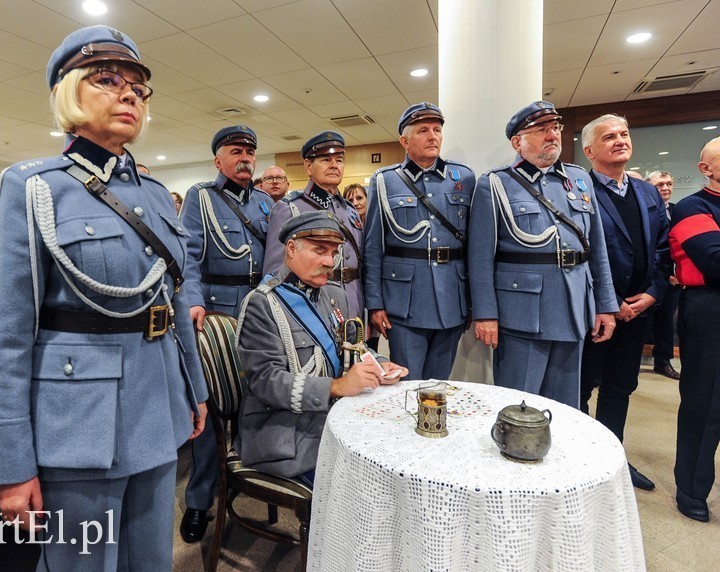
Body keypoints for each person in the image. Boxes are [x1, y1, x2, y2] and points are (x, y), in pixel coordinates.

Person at [0, 25, 208, 569]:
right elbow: (7, 336)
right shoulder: (33, 186)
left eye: (137, 86)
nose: (129, 93)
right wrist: (11, 463)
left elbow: (171, 304)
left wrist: (193, 388)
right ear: (68, 90)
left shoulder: (154, 195)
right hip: (77, 422)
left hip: (158, 407)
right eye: (107, 79)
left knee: (150, 560)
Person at [235, 211, 407, 485]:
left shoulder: (334, 294)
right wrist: (335, 387)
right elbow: (266, 383)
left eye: (334, 252)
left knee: (396, 449)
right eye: (319, 251)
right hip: (287, 433)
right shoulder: (262, 304)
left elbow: (352, 345)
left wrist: (378, 364)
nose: (329, 262)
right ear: (290, 249)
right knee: (365, 481)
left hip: (332, 416)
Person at [469, 101, 617, 408]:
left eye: (555, 128)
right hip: (523, 312)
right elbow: (481, 257)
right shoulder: (496, 183)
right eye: (540, 130)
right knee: (519, 405)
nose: (551, 136)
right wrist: (486, 314)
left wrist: (605, 304)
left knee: (566, 406)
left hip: (574, 305)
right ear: (517, 142)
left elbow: (596, 248)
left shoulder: (579, 179)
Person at [179, 124, 274, 543]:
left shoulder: (268, 203)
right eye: (236, 151)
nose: (245, 158)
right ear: (218, 159)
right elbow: (188, 257)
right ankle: (200, 500)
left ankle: (248, 478)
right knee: (212, 409)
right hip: (215, 315)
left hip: (258, 312)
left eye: (250, 152)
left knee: (257, 399)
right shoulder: (201, 197)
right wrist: (194, 299)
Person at [579, 114, 670, 491]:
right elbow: (578, 251)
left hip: (637, 312)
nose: (620, 141)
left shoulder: (646, 192)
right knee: (581, 390)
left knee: (620, 387)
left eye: (624, 134)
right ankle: (582, 460)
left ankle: (613, 460)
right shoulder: (579, 190)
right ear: (589, 151)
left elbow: (664, 249)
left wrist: (652, 293)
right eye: (609, 137)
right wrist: (609, 301)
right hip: (593, 313)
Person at [364, 103, 474, 380]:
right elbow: (374, 246)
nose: (433, 136)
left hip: (452, 297)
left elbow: (475, 247)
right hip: (404, 301)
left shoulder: (464, 178)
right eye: (423, 130)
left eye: (437, 130)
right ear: (404, 140)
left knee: (439, 384)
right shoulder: (384, 181)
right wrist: (375, 303)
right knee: (407, 382)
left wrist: (474, 302)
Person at [668, 136, 720, 522]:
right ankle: (692, 487)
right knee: (705, 404)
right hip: (709, 307)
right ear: (706, 169)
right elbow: (714, 261)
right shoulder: (692, 206)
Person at [263, 131, 364, 321]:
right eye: (326, 159)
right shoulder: (289, 207)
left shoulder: (349, 210)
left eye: (339, 160)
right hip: (312, 309)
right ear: (308, 166)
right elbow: (275, 272)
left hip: (354, 306)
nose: (334, 165)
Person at [645, 170, 680, 380]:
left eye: (668, 184)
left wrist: (675, 273)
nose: (665, 188)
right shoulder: (645, 209)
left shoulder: (679, 211)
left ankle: (663, 361)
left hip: (672, 279)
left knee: (666, 321)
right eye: (660, 184)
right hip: (647, 277)